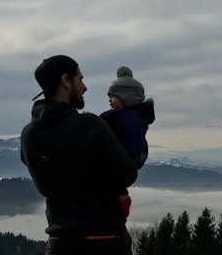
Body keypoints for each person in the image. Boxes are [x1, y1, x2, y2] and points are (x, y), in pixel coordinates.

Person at [20, 55, 137, 255]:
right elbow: (128, 174)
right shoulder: (89, 125)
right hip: (105, 240)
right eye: (80, 79)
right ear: (65, 81)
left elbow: (46, 186)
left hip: (60, 243)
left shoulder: (29, 135)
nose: (84, 87)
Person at [100, 66, 155, 218]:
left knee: (113, 180)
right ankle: (122, 197)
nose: (109, 100)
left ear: (126, 97)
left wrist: (90, 122)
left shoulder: (129, 118)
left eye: (113, 96)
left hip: (126, 158)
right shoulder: (131, 117)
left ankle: (122, 198)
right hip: (129, 159)